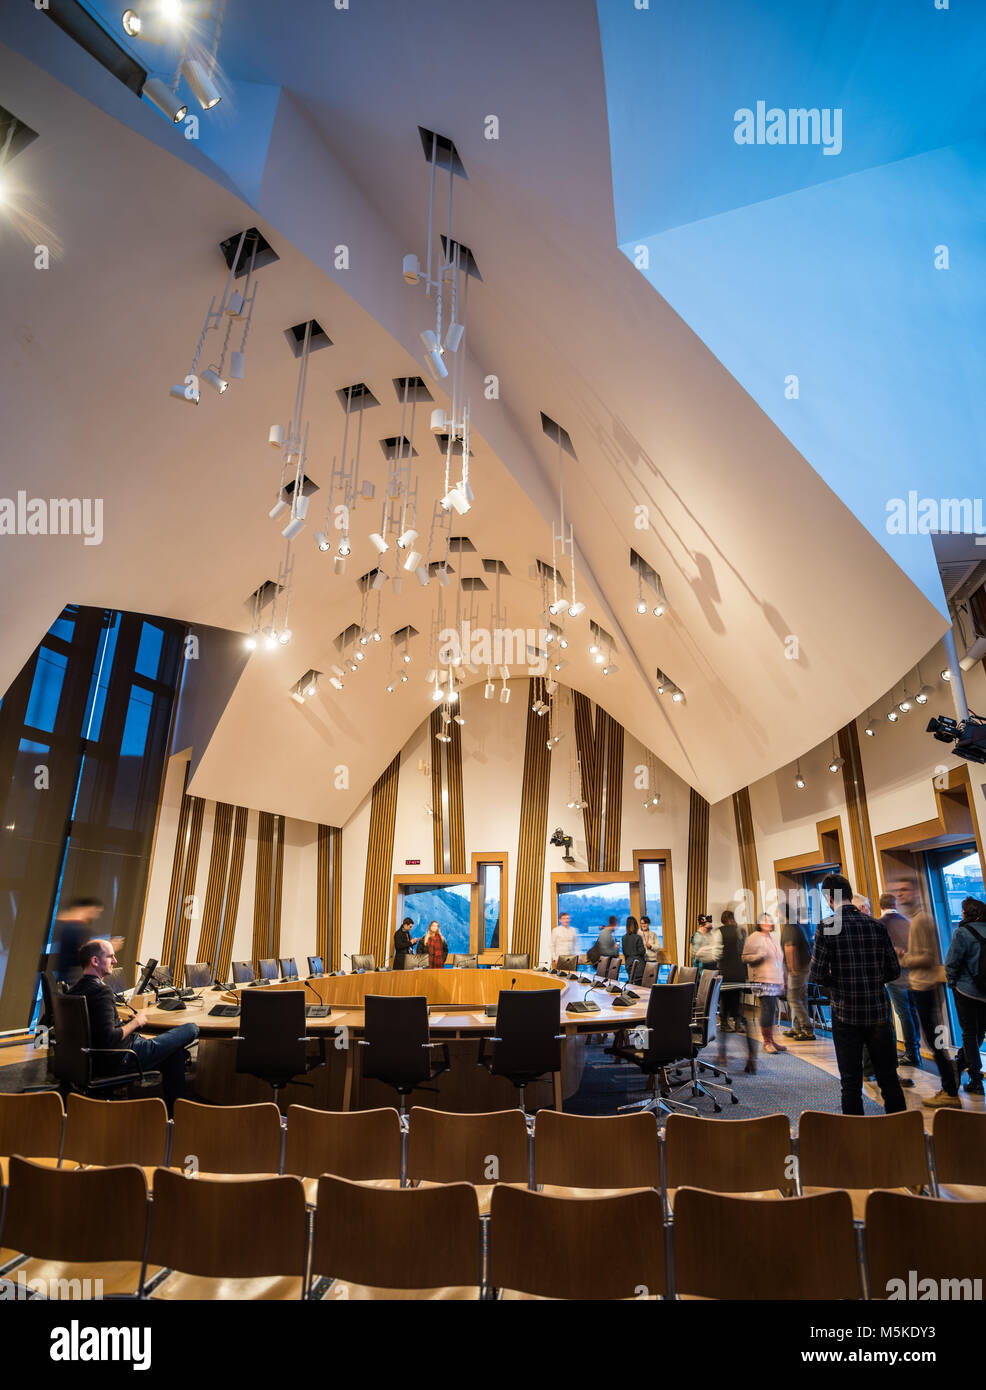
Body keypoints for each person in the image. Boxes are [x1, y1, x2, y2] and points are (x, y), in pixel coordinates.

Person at [809, 874, 905, 1115]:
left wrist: (838, 984)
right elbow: (893, 970)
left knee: (850, 1083)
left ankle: (856, 1138)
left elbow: (817, 974)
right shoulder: (876, 926)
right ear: (850, 894)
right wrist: (871, 980)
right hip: (878, 1013)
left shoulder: (826, 927)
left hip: (845, 1013)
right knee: (889, 1079)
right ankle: (905, 1133)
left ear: (829, 898)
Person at [69, 939, 198, 1115]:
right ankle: (177, 1114)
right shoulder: (101, 991)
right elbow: (110, 1038)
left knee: (173, 1052)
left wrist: (126, 1024)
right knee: (191, 1028)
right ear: (95, 961)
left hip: (94, 1058)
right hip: (122, 1057)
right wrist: (136, 1022)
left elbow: (99, 1029)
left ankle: (173, 1113)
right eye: (111, 956)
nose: (115, 961)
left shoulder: (75, 989)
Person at [895, 880, 961, 1109]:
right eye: (898, 891)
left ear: (914, 891)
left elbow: (925, 957)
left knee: (934, 1043)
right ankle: (949, 1087)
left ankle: (950, 1091)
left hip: (924, 986)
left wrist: (903, 958)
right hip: (921, 986)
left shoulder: (921, 920)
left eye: (903, 890)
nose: (900, 895)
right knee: (932, 1041)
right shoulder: (919, 919)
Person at [944, 897, 986, 1096]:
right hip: (984, 992)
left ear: (965, 913)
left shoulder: (962, 933)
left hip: (966, 991)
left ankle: (975, 1077)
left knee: (969, 1033)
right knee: (979, 1033)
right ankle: (962, 1063)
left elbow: (952, 962)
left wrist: (952, 983)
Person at [879, 891, 922, 1067]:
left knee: (903, 1013)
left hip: (894, 974)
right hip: (911, 972)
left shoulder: (880, 924)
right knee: (912, 1012)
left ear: (880, 906)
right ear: (895, 905)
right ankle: (916, 1050)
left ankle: (911, 1053)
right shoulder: (908, 922)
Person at [717, 910, 757, 1074]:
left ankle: (722, 1055)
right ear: (732, 919)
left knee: (724, 1016)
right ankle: (751, 1057)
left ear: (723, 920)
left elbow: (716, 954)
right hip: (739, 976)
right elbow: (744, 953)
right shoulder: (741, 931)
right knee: (740, 1014)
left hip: (725, 978)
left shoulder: (718, 932)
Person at [741, 913, 787, 1053]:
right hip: (761, 979)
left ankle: (771, 1040)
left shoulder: (771, 938)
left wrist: (783, 978)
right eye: (765, 920)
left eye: (770, 920)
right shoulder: (754, 937)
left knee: (772, 1010)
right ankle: (766, 1042)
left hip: (774, 980)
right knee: (767, 1009)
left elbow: (777, 960)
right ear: (759, 923)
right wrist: (758, 956)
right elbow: (744, 957)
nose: (768, 923)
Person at [52, 897, 106, 987]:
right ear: (89, 908)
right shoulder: (77, 928)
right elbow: (83, 955)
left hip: (66, 978)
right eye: (97, 911)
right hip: (71, 980)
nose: (97, 915)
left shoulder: (69, 925)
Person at [780, 910, 814, 1042]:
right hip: (804, 966)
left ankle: (807, 1028)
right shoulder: (797, 925)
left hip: (797, 967)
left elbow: (790, 947)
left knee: (793, 997)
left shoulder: (790, 927)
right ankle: (798, 1027)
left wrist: (791, 968)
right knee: (801, 997)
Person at [621, 916, 646, 984]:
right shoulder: (638, 937)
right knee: (640, 988)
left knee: (632, 986)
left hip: (629, 965)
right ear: (636, 926)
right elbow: (642, 952)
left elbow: (624, 952)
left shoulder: (624, 938)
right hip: (639, 966)